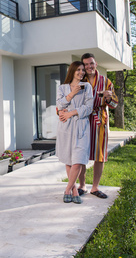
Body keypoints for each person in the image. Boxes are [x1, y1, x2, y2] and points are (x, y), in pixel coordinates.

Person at [77, 53, 118, 199]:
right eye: (86, 64)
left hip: (99, 122)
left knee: (99, 155)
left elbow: (114, 104)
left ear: (96, 63)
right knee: (81, 154)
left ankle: (95, 187)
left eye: (91, 63)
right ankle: (82, 186)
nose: (89, 67)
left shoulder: (106, 82)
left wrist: (108, 97)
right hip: (82, 121)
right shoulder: (80, 81)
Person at [55, 61, 93, 204]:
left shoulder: (87, 87)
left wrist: (71, 113)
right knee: (69, 160)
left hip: (81, 126)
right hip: (66, 127)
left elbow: (89, 107)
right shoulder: (62, 88)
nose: (81, 72)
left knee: (78, 161)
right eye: (78, 70)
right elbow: (59, 105)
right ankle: (75, 190)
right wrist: (72, 93)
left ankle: (67, 190)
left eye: (83, 70)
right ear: (72, 71)